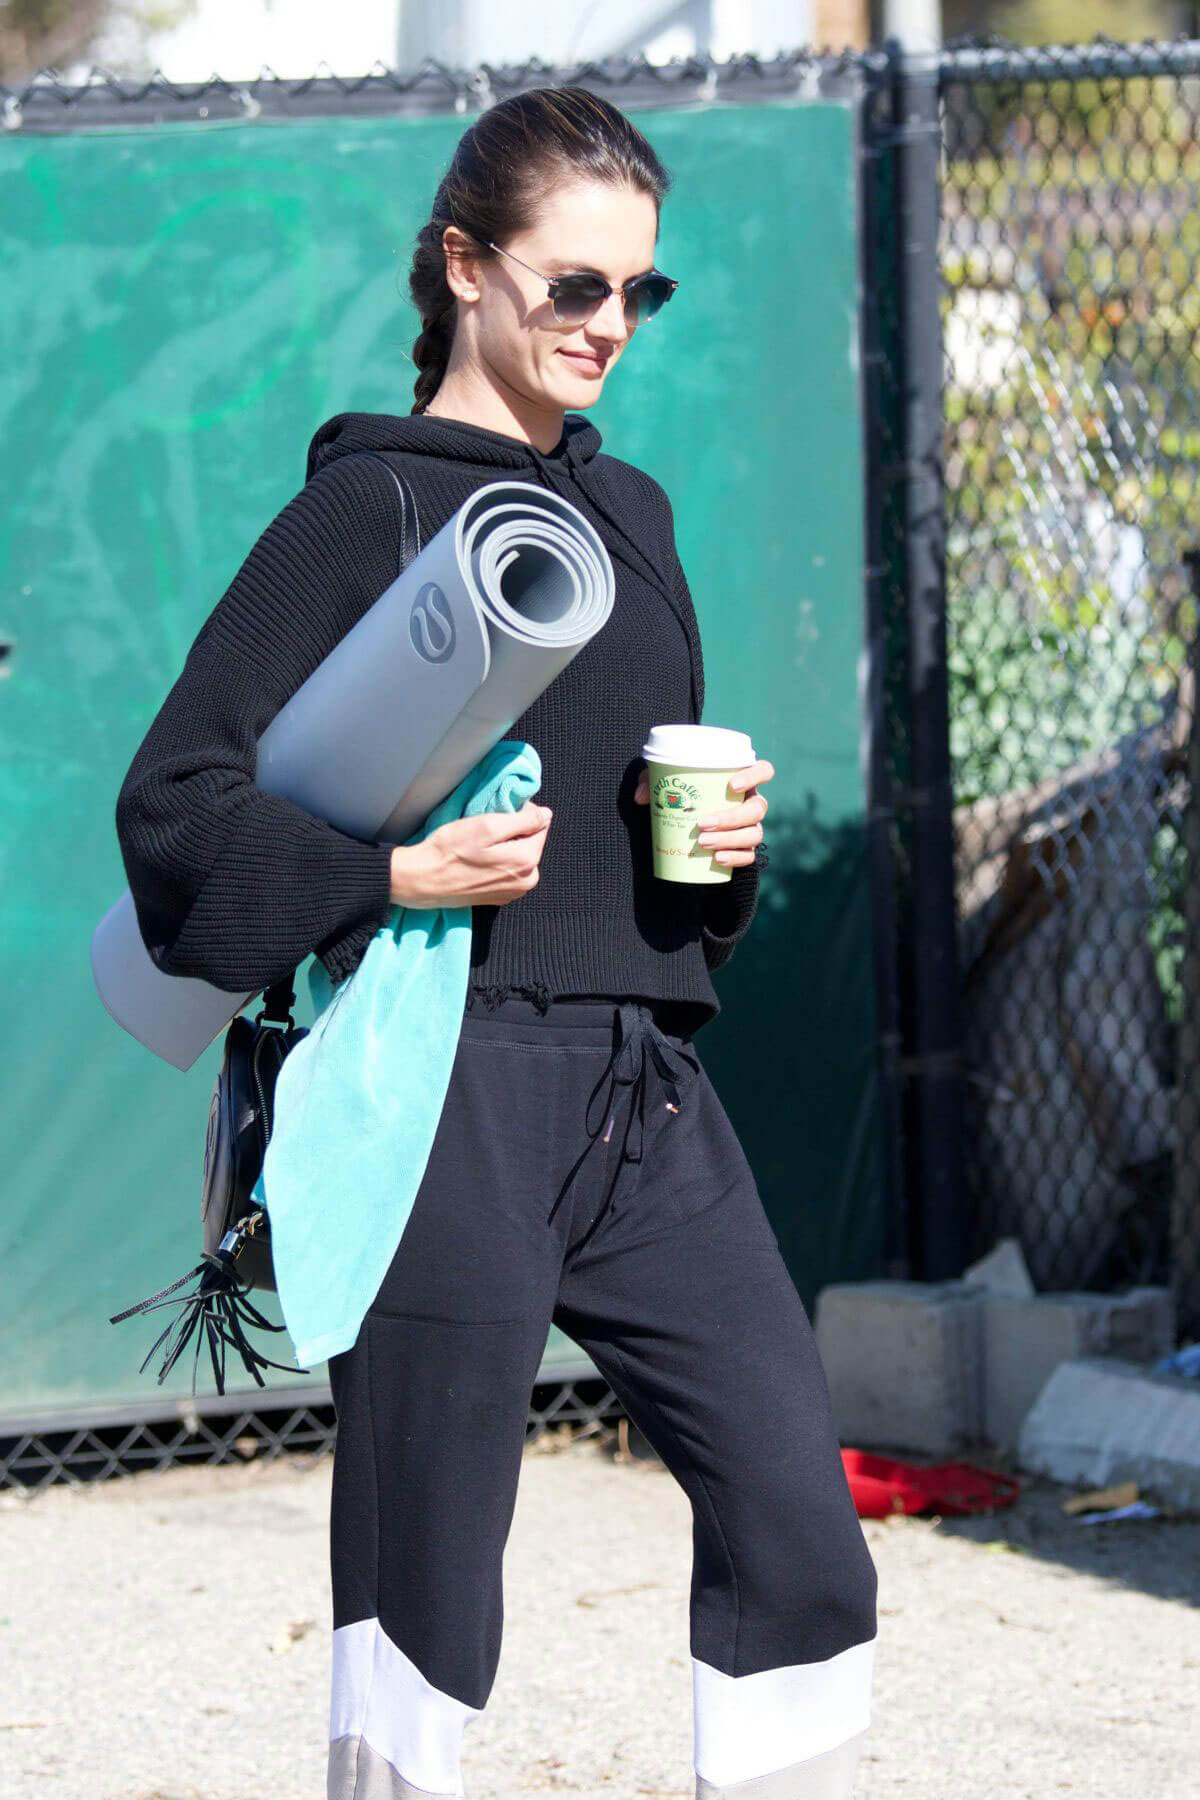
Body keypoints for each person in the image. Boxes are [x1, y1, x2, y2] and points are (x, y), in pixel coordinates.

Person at [115, 84, 878, 1800]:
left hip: (647, 1094)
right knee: (427, 1588)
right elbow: (173, 809)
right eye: (575, 285)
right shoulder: (367, 512)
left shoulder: (642, 520)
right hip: (443, 1084)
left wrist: (718, 863)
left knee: (805, 1537)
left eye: (641, 292)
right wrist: (395, 877)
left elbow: (643, 859)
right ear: (465, 266)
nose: (611, 325)